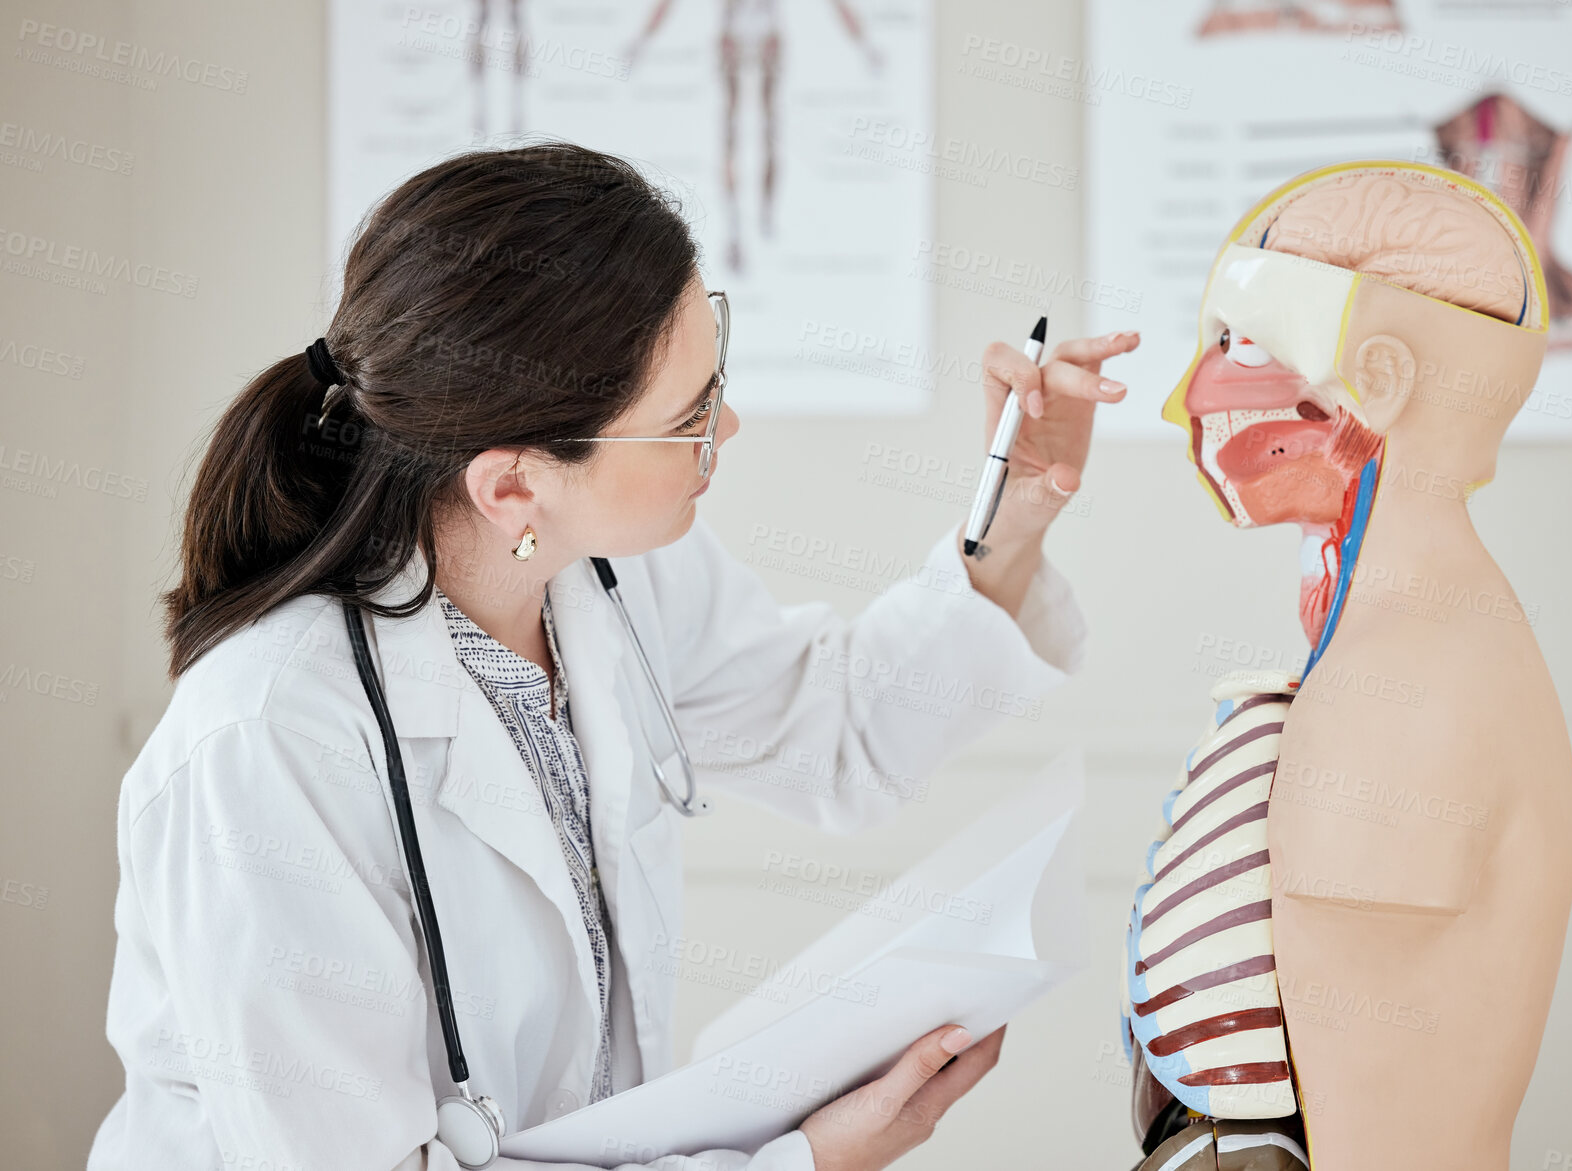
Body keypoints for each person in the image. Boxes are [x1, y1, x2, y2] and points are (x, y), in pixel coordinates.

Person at [88, 142, 1137, 1171]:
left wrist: (1015, 511)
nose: (728, 425)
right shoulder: (266, 741)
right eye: (684, 418)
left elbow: (842, 732)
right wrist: (804, 1163)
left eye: (712, 384)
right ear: (511, 489)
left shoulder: (607, 578)